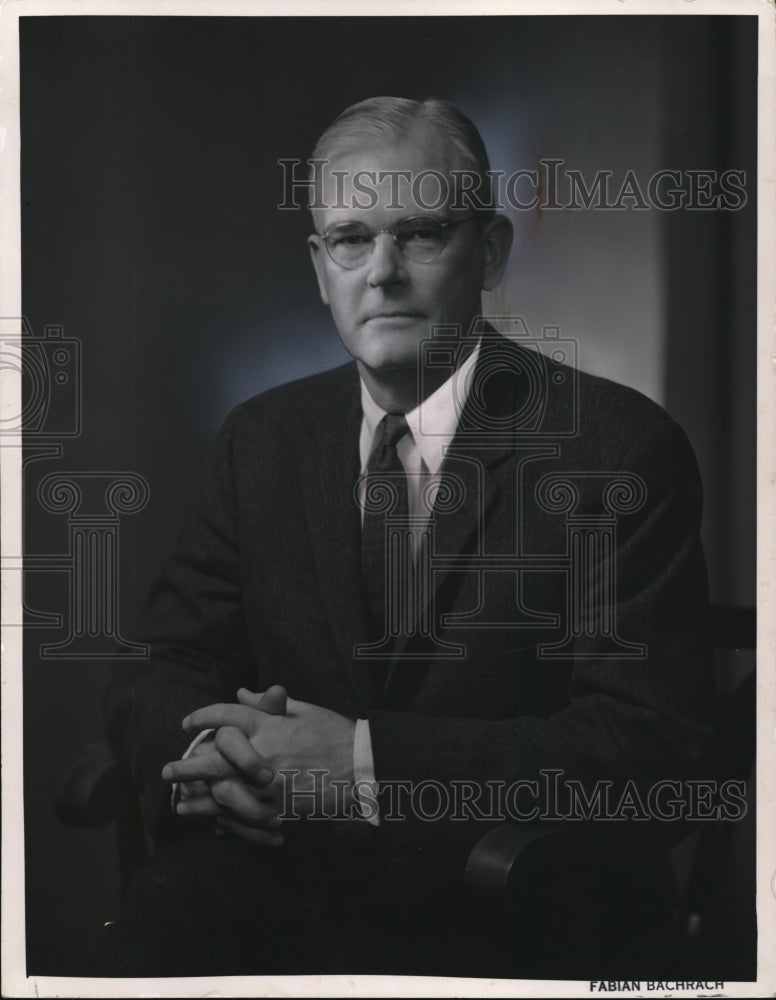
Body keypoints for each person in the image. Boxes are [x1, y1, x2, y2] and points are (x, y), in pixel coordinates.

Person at [95, 96, 714, 978]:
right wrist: (216, 759)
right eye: (350, 238)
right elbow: (164, 663)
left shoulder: (615, 448)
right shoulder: (263, 439)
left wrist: (363, 766)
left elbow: (651, 746)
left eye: (421, 233)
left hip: (506, 905)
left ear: (491, 251)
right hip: (276, 885)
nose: (381, 271)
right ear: (320, 267)